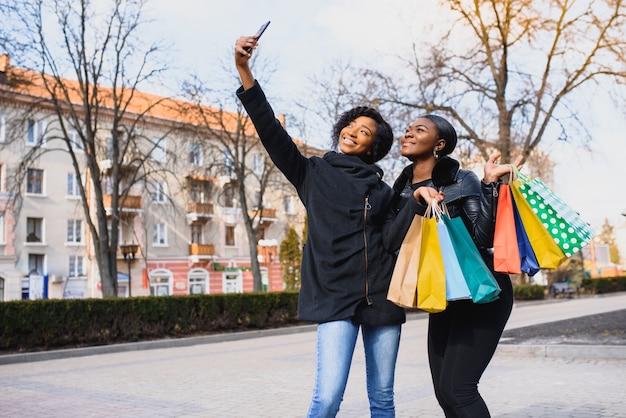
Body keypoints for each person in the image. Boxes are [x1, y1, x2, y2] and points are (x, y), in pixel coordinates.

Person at [234, 35, 406, 417]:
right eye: (351, 125)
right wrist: (244, 70)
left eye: (364, 132)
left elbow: (393, 240)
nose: (353, 132)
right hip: (334, 301)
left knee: (382, 401)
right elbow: (270, 131)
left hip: (381, 298)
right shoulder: (311, 172)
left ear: (372, 148)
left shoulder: (382, 191)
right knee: (327, 397)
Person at [385, 114, 523, 417]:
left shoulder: (461, 179)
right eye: (408, 129)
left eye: (419, 130)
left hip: (482, 291)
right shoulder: (399, 191)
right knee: (444, 393)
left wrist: (489, 183)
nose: (408, 133)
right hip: (443, 296)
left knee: (458, 389)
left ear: (440, 144)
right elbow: (391, 242)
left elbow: (482, 237)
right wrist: (417, 202)